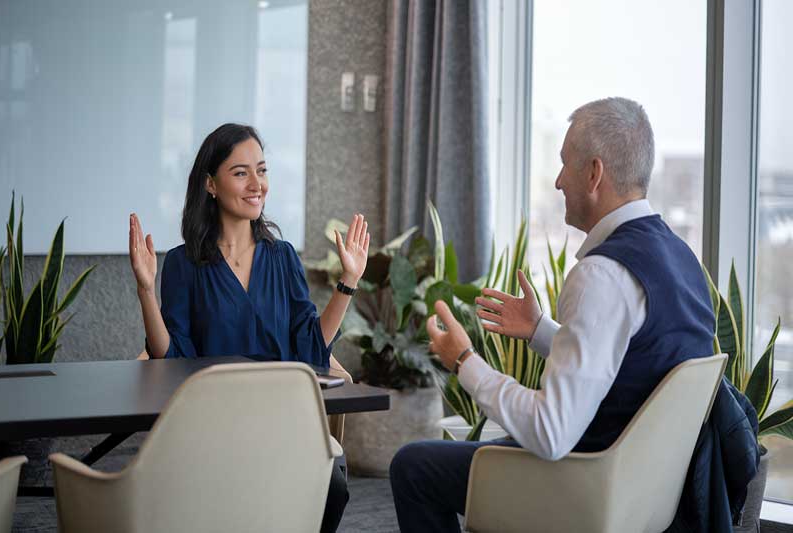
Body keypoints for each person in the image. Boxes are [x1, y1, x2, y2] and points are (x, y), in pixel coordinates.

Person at [389, 97, 716, 532]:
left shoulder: (601, 274)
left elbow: (550, 432)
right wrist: (541, 330)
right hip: (645, 492)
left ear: (594, 173)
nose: (559, 180)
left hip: (584, 486)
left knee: (414, 467)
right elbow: (626, 363)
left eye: (565, 165)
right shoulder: (681, 258)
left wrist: (465, 363)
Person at [129, 123, 368, 533]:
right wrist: (146, 289)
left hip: (279, 420)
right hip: (212, 424)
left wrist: (349, 281)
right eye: (241, 173)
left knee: (331, 486)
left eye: (262, 169)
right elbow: (171, 357)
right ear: (210, 184)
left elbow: (311, 349)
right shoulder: (184, 263)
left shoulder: (283, 257)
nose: (257, 184)